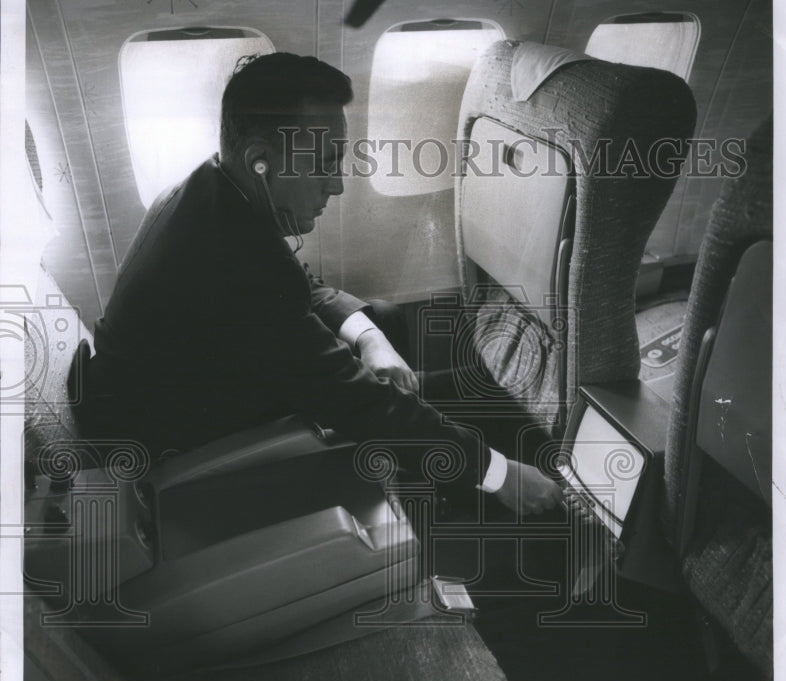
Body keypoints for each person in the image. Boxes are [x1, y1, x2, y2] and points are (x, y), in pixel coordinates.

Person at [77, 52, 562, 516]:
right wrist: (499, 474)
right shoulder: (231, 256)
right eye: (324, 164)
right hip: (175, 444)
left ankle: (462, 485)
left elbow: (296, 284)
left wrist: (371, 339)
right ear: (260, 160)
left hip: (181, 392)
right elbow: (352, 400)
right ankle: (497, 507)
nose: (336, 185)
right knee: (429, 403)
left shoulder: (209, 191)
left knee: (384, 324)